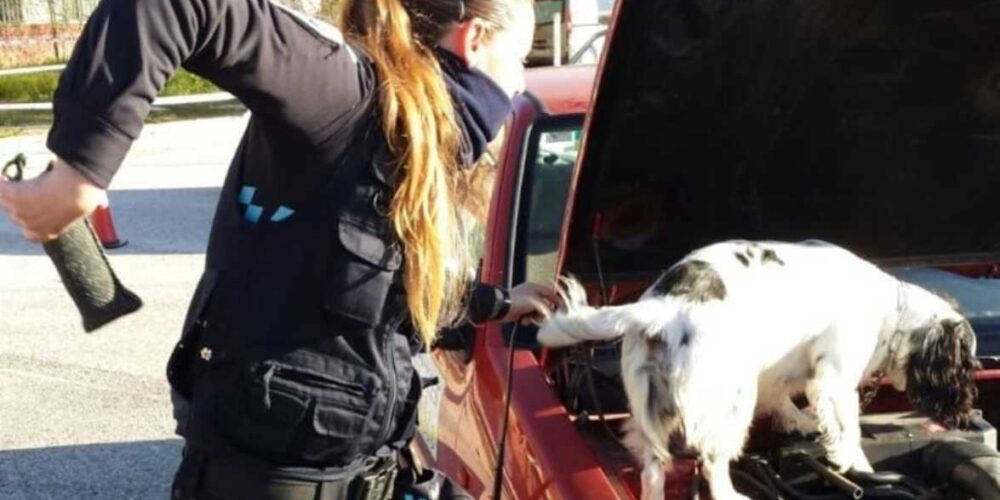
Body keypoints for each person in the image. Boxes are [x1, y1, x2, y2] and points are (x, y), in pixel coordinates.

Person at [0, 0, 558, 497]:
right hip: (263, 473)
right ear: (474, 41)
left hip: (362, 467)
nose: (518, 85)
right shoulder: (350, 94)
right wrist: (79, 172)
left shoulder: (416, 148)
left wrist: (498, 304)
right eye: (521, 59)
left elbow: (388, 294)